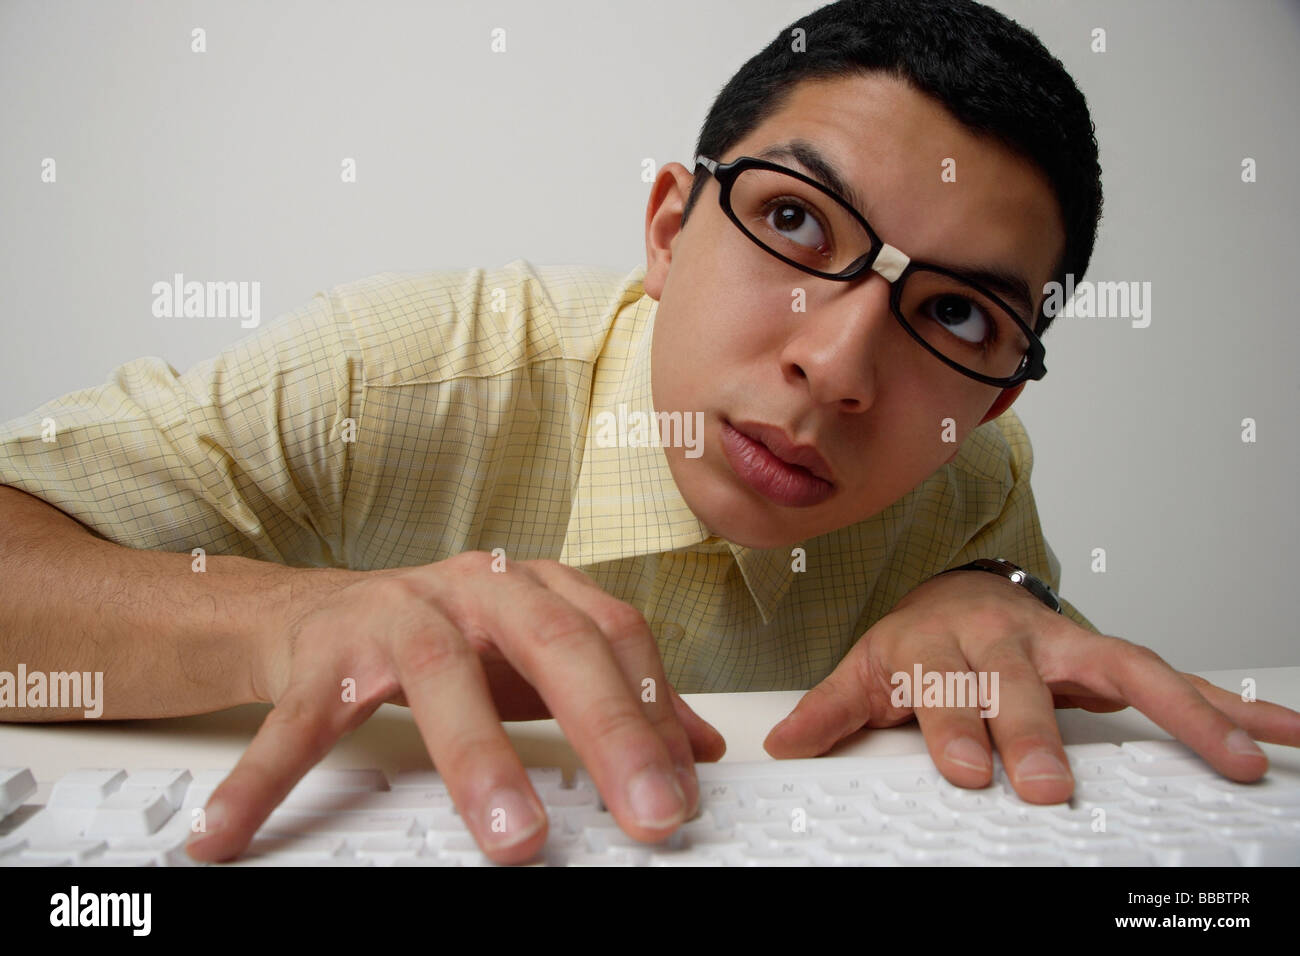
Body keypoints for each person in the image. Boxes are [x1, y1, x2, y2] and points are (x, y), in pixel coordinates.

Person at [1, 0, 1297, 866]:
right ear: (670, 228)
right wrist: (284, 621)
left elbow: (998, 611)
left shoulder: (975, 480)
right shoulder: (397, 375)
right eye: (795, 226)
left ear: (997, 395)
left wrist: (996, 593)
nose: (839, 366)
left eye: (956, 314)